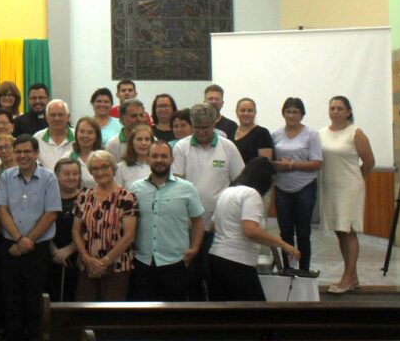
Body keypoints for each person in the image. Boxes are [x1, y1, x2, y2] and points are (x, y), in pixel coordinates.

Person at [0, 135, 61, 341]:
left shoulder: (49, 178)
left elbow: (51, 213)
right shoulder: (6, 177)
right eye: (18, 151)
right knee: (12, 306)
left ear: (35, 153)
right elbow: (1, 209)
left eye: (27, 152)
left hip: (37, 250)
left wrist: (28, 240)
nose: (22, 156)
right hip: (10, 248)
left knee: (35, 308)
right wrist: (18, 239)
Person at [172, 103, 244, 299]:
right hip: (188, 225)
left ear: (214, 124)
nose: (202, 132)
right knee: (191, 276)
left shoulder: (228, 147)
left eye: (206, 127)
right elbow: (177, 182)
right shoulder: (182, 147)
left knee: (214, 274)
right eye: (197, 127)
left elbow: (240, 181)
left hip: (218, 225)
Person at [209, 158, 300, 301]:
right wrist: (284, 244)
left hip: (215, 258)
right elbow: (250, 230)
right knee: (255, 312)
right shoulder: (251, 195)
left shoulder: (228, 192)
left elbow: (212, 226)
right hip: (237, 261)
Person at [128, 141, 204, 302]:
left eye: (164, 156)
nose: (159, 160)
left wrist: (195, 248)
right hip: (143, 261)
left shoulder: (187, 188)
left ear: (171, 159)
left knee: (174, 316)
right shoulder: (135, 188)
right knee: (144, 316)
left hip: (175, 262)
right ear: (148, 159)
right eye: (154, 156)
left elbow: (198, 221)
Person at [319, 96, 375, 294]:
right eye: (332, 108)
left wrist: (354, 181)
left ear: (348, 111)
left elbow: (369, 162)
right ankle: (353, 275)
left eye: (339, 108)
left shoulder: (355, 133)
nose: (335, 111)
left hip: (350, 188)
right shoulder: (321, 133)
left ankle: (348, 277)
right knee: (339, 231)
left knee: (348, 231)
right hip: (329, 187)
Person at [72, 150, 137, 301]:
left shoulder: (127, 197)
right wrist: (87, 260)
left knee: (111, 317)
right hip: (87, 266)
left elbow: (129, 235)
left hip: (117, 267)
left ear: (113, 168)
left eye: (105, 167)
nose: (100, 172)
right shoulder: (83, 196)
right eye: (95, 168)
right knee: (85, 314)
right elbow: (76, 231)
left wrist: (104, 262)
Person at [271, 97, 323, 278]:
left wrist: (292, 164)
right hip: (281, 188)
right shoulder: (275, 134)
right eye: (288, 111)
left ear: (302, 114)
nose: (291, 115)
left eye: (295, 112)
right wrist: (278, 165)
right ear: (283, 113)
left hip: (305, 188)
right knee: (285, 231)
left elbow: (317, 163)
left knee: (303, 231)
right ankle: (287, 268)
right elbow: (272, 162)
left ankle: (304, 269)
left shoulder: (311, 134)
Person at [48, 158, 82, 302]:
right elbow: (40, 224)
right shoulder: (48, 196)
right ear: (57, 175)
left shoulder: (87, 197)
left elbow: (90, 228)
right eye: (66, 174)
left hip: (78, 256)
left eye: (75, 173)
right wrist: (54, 250)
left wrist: (70, 249)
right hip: (50, 255)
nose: (71, 177)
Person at [34, 99, 75, 172]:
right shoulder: (37, 138)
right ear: (46, 118)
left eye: (60, 115)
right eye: (53, 115)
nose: (57, 118)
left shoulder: (78, 137)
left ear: (68, 117)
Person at [232, 97, 274, 165]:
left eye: (250, 110)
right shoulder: (231, 131)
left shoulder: (262, 133)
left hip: (254, 175)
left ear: (255, 113)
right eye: (242, 110)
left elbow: (265, 164)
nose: (246, 113)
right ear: (237, 112)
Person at [115, 123, 154, 188]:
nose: (144, 143)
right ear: (131, 143)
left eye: (147, 139)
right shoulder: (120, 168)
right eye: (139, 139)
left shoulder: (158, 166)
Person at [70, 116, 102, 188]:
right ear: (76, 134)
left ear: (97, 136)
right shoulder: (68, 157)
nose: (85, 135)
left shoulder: (104, 158)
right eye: (82, 131)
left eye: (90, 132)